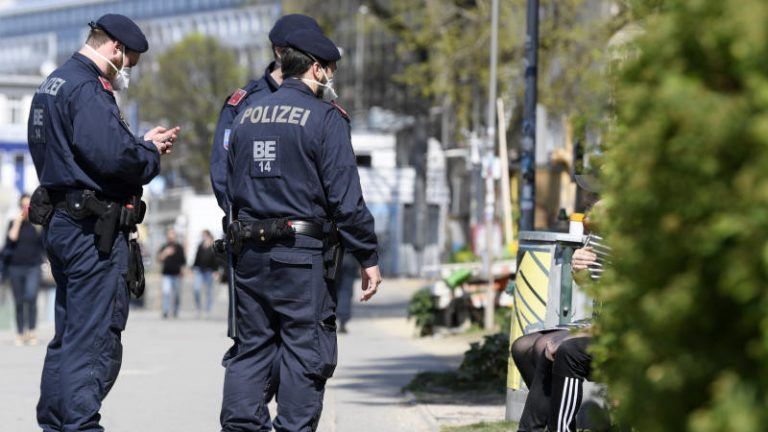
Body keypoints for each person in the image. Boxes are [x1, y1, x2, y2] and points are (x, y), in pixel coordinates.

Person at [221, 28, 382, 431]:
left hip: (249, 254)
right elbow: (347, 201)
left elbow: (228, 186)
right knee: (304, 353)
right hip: (301, 256)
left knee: (251, 350)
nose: (331, 77)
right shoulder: (325, 119)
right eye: (329, 69)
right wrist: (368, 256)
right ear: (316, 68)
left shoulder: (245, 116)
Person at [27, 13, 179, 431]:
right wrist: (148, 154)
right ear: (114, 47)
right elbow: (114, 160)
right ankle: (80, 425)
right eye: (128, 61)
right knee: (93, 340)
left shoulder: (53, 83)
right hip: (92, 232)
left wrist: (139, 142)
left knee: (69, 336)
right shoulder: (88, 89)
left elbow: (82, 153)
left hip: (63, 220)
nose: (127, 69)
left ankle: (57, 424)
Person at [210, 13, 322, 211]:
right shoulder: (243, 105)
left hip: (307, 231)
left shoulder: (318, 103)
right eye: (308, 51)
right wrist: (245, 221)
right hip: (255, 233)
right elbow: (222, 173)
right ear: (279, 52)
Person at [512, 203, 607, 432]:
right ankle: (543, 424)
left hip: (617, 327)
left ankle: (553, 427)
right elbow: (591, 282)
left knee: (549, 348)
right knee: (522, 346)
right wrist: (579, 269)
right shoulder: (598, 236)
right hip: (600, 320)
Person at [5, 193, 45, 346]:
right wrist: (18, 221)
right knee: (19, 301)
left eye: (28, 206)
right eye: (23, 206)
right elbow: (12, 238)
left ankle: (32, 331)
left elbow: (43, 246)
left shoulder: (37, 225)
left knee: (31, 297)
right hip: (15, 267)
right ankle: (21, 332)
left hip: (33, 266)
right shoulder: (13, 222)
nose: (25, 209)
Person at [158, 227, 186, 319]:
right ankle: (165, 311)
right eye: (169, 234)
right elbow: (159, 259)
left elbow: (183, 261)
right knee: (166, 292)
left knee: (177, 294)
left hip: (177, 274)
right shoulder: (164, 247)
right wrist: (165, 253)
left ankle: (176, 310)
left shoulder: (179, 247)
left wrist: (182, 271)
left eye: (172, 234)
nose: (171, 236)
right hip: (166, 274)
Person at [192, 229, 218, 316]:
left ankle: (208, 309)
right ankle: (198, 308)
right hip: (199, 270)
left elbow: (216, 259)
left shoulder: (213, 246)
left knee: (209, 291)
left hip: (209, 271)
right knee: (196, 289)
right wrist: (193, 268)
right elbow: (197, 257)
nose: (202, 237)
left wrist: (216, 271)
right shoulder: (200, 245)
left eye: (204, 235)